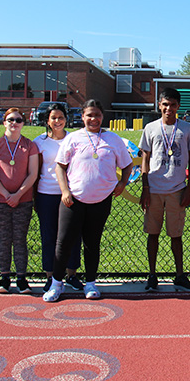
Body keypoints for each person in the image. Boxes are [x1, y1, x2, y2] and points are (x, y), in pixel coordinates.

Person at [43, 99, 133, 302]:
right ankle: (57, 284)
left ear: (103, 116)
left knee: (92, 243)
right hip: (73, 200)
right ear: (82, 116)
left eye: (97, 115)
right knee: (63, 242)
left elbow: (127, 165)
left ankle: (90, 283)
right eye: (89, 115)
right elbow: (60, 166)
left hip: (101, 201)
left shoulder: (113, 139)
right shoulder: (73, 138)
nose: (94, 119)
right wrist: (65, 190)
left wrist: (122, 183)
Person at [139, 88, 190, 292]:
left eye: (173, 105)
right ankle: (152, 275)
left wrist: (189, 188)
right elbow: (145, 158)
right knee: (152, 233)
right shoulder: (150, 128)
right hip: (154, 188)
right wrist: (145, 187)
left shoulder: (187, 128)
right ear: (159, 105)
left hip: (177, 189)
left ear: (178, 106)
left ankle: (180, 275)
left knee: (176, 235)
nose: (168, 108)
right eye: (165, 104)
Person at [0, 108, 39, 294]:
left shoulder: (29, 145)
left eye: (18, 120)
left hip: (23, 200)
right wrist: (6, 195)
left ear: (23, 123)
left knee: (20, 239)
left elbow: (33, 173)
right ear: (4, 122)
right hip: (0, 200)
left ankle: (22, 278)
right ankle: (4, 277)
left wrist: (18, 195)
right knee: (5, 238)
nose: (14, 123)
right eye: (10, 120)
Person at [33, 103, 82, 293]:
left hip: (71, 194)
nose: (57, 121)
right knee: (49, 236)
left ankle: (72, 275)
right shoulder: (40, 142)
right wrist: (35, 196)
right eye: (53, 118)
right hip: (47, 194)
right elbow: (37, 171)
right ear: (47, 120)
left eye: (61, 117)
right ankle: (50, 276)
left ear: (66, 119)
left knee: (72, 235)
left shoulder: (74, 139)